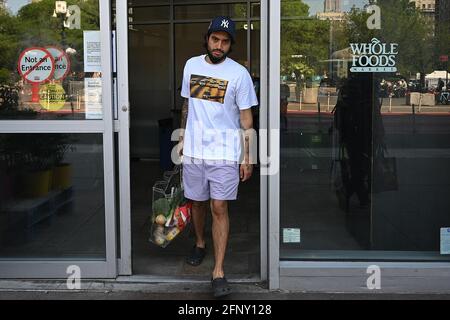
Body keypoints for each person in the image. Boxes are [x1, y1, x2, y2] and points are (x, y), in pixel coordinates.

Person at [177, 16, 258, 298]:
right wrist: (182, 138)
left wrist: (247, 157)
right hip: (195, 150)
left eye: (225, 42)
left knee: (219, 206)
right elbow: (187, 105)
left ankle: (219, 270)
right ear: (207, 38)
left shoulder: (239, 74)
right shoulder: (191, 65)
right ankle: (200, 243)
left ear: (230, 45)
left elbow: (247, 120)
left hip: (225, 151)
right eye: (215, 39)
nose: (219, 45)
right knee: (196, 203)